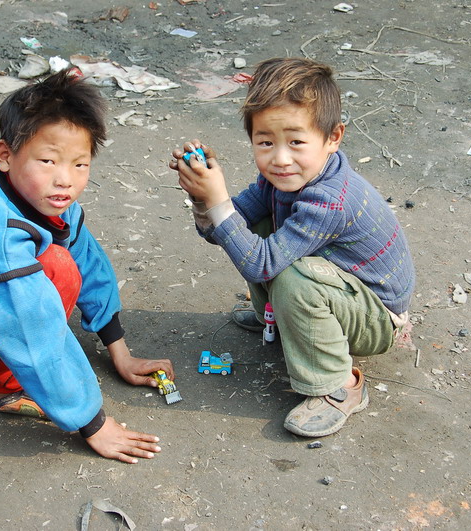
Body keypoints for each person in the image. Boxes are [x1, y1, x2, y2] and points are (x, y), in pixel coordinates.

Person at [0, 69, 174, 463]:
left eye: (80, 165)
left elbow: (91, 264)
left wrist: (120, 351)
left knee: (66, 262)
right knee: (56, 271)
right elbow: (28, 325)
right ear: (5, 155)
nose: (65, 180)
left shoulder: (46, 199)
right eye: (48, 160)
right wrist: (91, 422)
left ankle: (8, 374)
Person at [169, 58, 415, 438]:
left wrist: (218, 201)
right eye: (265, 142)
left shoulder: (330, 199)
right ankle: (279, 316)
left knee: (290, 275)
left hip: (376, 320)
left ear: (333, 137)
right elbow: (226, 228)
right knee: (252, 225)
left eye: (296, 142)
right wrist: (204, 198)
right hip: (341, 290)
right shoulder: (279, 181)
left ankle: (340, 386)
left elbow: (258, 265)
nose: (280, 159)